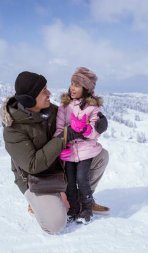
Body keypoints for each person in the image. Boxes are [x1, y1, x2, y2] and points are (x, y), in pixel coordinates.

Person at [0, 71, 109, 234]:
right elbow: (33, 165)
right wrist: (64, 137)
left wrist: (98, 123)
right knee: (55, 224)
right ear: (30, 99)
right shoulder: (13, 130)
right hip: (34, 178)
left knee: (100, 156)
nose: (49, 93)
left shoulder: (50, 111)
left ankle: (79, 201)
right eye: (44, 90)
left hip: (57, 167)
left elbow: (76, 117)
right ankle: (39, 202)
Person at [54, 67, 103, 224]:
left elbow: (96, 131)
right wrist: (62, 143)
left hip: (85, 150)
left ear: (86, 89)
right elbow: (59, 129)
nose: (72, 88)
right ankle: (73, 209)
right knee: (69, 180)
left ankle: (87, 209)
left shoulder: (93, 108)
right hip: (69, 151)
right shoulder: (64, 107)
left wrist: (87, 129)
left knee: (82, 178)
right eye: (71, 84)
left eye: (77, 85)